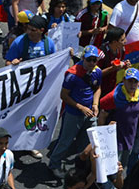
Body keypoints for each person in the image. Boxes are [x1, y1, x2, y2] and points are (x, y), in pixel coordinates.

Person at [48, 46, 102, 179]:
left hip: (89, 112)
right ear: (83, 58)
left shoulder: (97, 72)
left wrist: (95, 104)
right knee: (65, 141)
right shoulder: (72, 74)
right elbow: (64, 96)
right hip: (74, 113)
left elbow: (97, 89)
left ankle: (80, 168)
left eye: (94, 60)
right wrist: (80, 107)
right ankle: (54, 164)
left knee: (88, 142)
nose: (91, 63)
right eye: (89, 59)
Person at [98, 68, 139, 168]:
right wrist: (102, 135)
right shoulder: (114, 96)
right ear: (124, 80)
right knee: (112, 166)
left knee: (124, 165)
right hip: (114, 138)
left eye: (135, 82)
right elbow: (103, 114)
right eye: (130, 81)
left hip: (130, 137)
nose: (132, 84)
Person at [97, 27, 130, 95]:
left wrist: (125, 65)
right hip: (99, 88)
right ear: (115, 42)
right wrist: (112, 68)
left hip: (112, 86)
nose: (125, 41)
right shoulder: (102, 53)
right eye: (122, 40)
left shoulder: (121, 50)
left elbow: (120, 64)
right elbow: (96, 74)